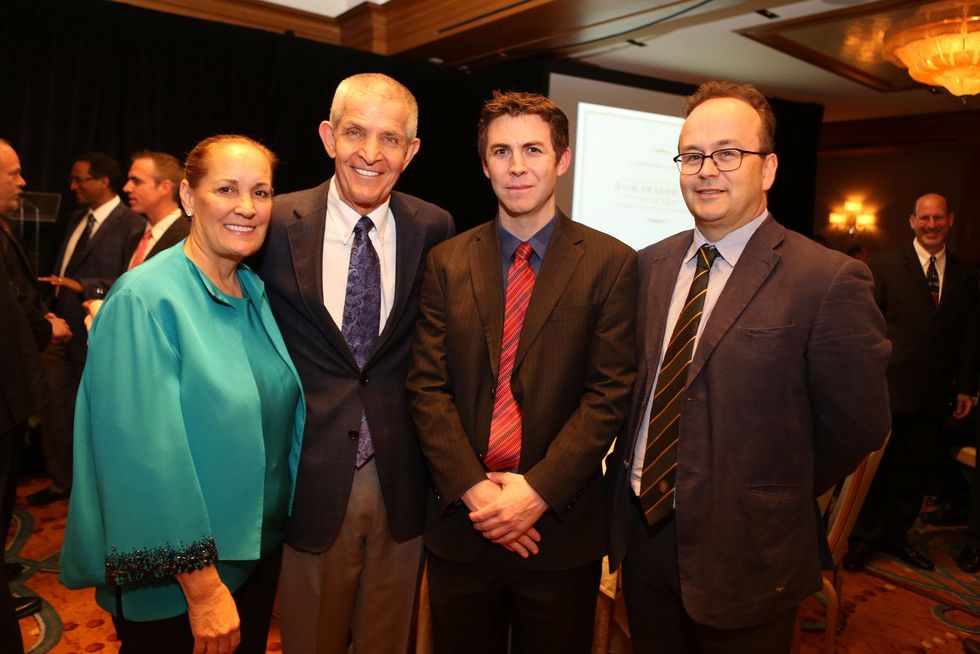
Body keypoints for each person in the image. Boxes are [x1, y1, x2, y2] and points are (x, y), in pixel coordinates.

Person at [604, 80, 891, 654]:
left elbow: (858, 423)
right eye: (692, 155)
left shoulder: (826, 279)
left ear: (768, 169)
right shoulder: (648, 266)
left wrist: (770, 490)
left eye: (728, 153)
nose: (707, 169)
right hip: (643, 535)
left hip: (749, 549)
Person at [407, 91, 637, 654]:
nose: (517, 165)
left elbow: (607, 395)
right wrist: (476, 492)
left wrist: (535, 492)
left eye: (532, 149)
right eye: (501, 151)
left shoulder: (611, 263)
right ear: (484, 164)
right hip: (464, 523)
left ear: (562, 159)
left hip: (557, 530)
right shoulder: (447, 261)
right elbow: (427, 387)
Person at [60, 135, 305, 654]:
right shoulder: (144, 298)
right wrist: (203, 589)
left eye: (261, 192)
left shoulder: (254, 290)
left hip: (253, 559)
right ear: (189, 199)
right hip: (181, 586)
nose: (247, 207)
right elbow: (139, 461)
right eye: (227, 189)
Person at [259, 73, 454, 654]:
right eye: (355, 133)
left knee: (388, 640)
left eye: (390, 139)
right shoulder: (272, 223)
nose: (371, 154)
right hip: (308, 473)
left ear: (411, 151)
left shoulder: (435, 228)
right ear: (327, 136)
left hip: (402, 477)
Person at [846, 193, 978, 573]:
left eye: (938, 218)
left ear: (950, 220)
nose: (932, 225)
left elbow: (970, 334)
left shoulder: (966, 274)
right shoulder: (885, 267)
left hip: (935, 393)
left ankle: (896, 536)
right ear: (912, 222)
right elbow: (867, 326)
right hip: (887, 386)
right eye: (925, 218)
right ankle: (862, 539)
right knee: (877, 467)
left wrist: (966, 385)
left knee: (914, 470)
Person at [31, 152, 144, 505]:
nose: (73, 186)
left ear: (102, 181)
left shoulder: (133, 224)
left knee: (96, 419)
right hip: (60, 333)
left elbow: (131, 281)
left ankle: (94, 493)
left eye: (80, 179)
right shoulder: (77, 218)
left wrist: (82, 285)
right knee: (57, 413)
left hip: (96, 337)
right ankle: (62, 482)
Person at [84, 150, 191, 326]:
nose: (126, 188)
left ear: (165, 187)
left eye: (136, 181)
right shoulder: (136, 234)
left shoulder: (188, 236)